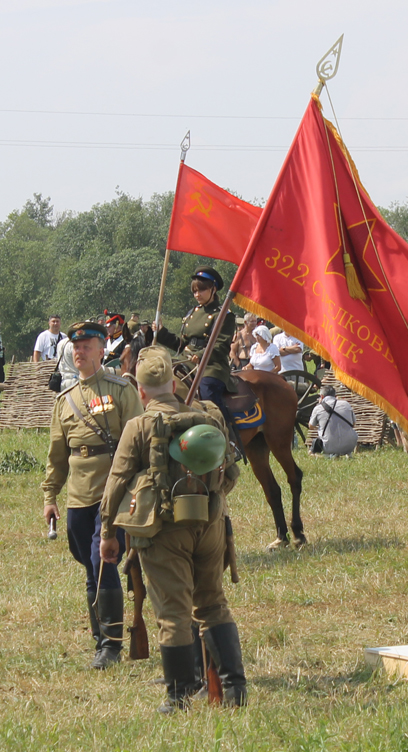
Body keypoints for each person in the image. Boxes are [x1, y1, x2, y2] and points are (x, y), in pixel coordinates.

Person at [99, 346, 246, 712]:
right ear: (173, 384)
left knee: (173, 613)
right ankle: (235, 689)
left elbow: (116, 483)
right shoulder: (207, 418)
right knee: (213, 603)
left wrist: (107, 533)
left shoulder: (139, 426)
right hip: (210, 525)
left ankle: (178, 696)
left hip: (163, 532)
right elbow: (230, 473)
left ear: (141, 391)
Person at [40, 321, 142, 669]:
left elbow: (138, 441)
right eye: (76, 347)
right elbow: (57, 455)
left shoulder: (121, 390)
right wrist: (50, 496)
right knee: (88, 563)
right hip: (77, 495)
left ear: (102, 350)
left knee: (103, 561)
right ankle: (100, 637)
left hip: (112, 491)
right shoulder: (64, 400)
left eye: (86, 346)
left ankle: (111, 646)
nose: (79, 352)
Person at [156, 267, 240, 429]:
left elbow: (221, 345)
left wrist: (201, 355)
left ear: (213, 289)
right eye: (195, 291)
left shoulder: (223, 315)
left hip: (211, 365)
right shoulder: (192, 313)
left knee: (207, 392)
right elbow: (181, 344)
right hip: (186, 360)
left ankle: (224, 432)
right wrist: (161, 333)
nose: (197, 295)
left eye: (201, 290)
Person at [308, 386, 358, 456]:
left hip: (329, 447)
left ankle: (326, 456)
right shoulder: (346, 404)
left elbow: (311, 426)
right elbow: (354, 423)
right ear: (335, 395)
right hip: (350, 446)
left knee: (313, 448)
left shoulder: (318, 408)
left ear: (322, 396)